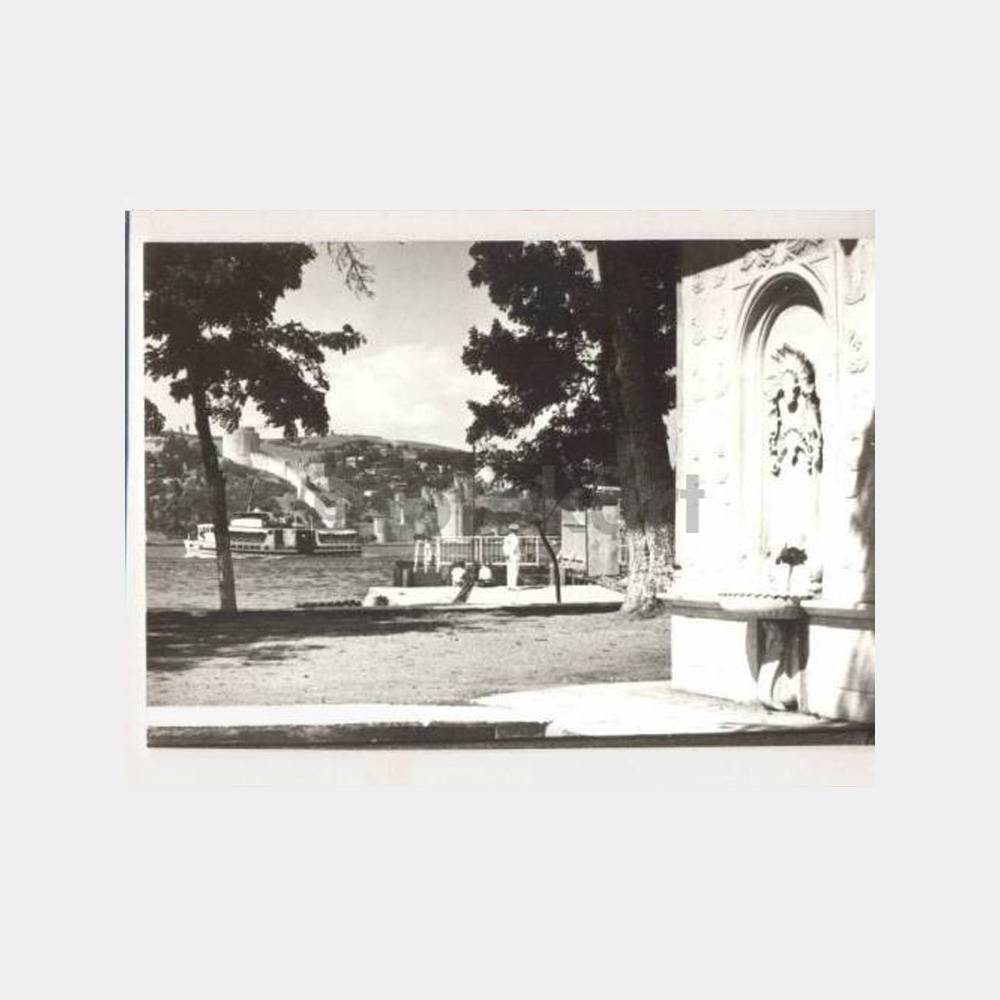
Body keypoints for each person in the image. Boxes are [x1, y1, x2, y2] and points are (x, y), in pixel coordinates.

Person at [503, 524, 520, 590]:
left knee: (509, 570)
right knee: (514, 570)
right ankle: (513, 585)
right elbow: (514, 547)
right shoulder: (515, 538)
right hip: (514, 555)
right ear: (516, 530)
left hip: (508, 555)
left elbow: (504, 547)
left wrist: (506, 554)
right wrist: (511, 554)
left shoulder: (507, 537)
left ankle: (509, 585)